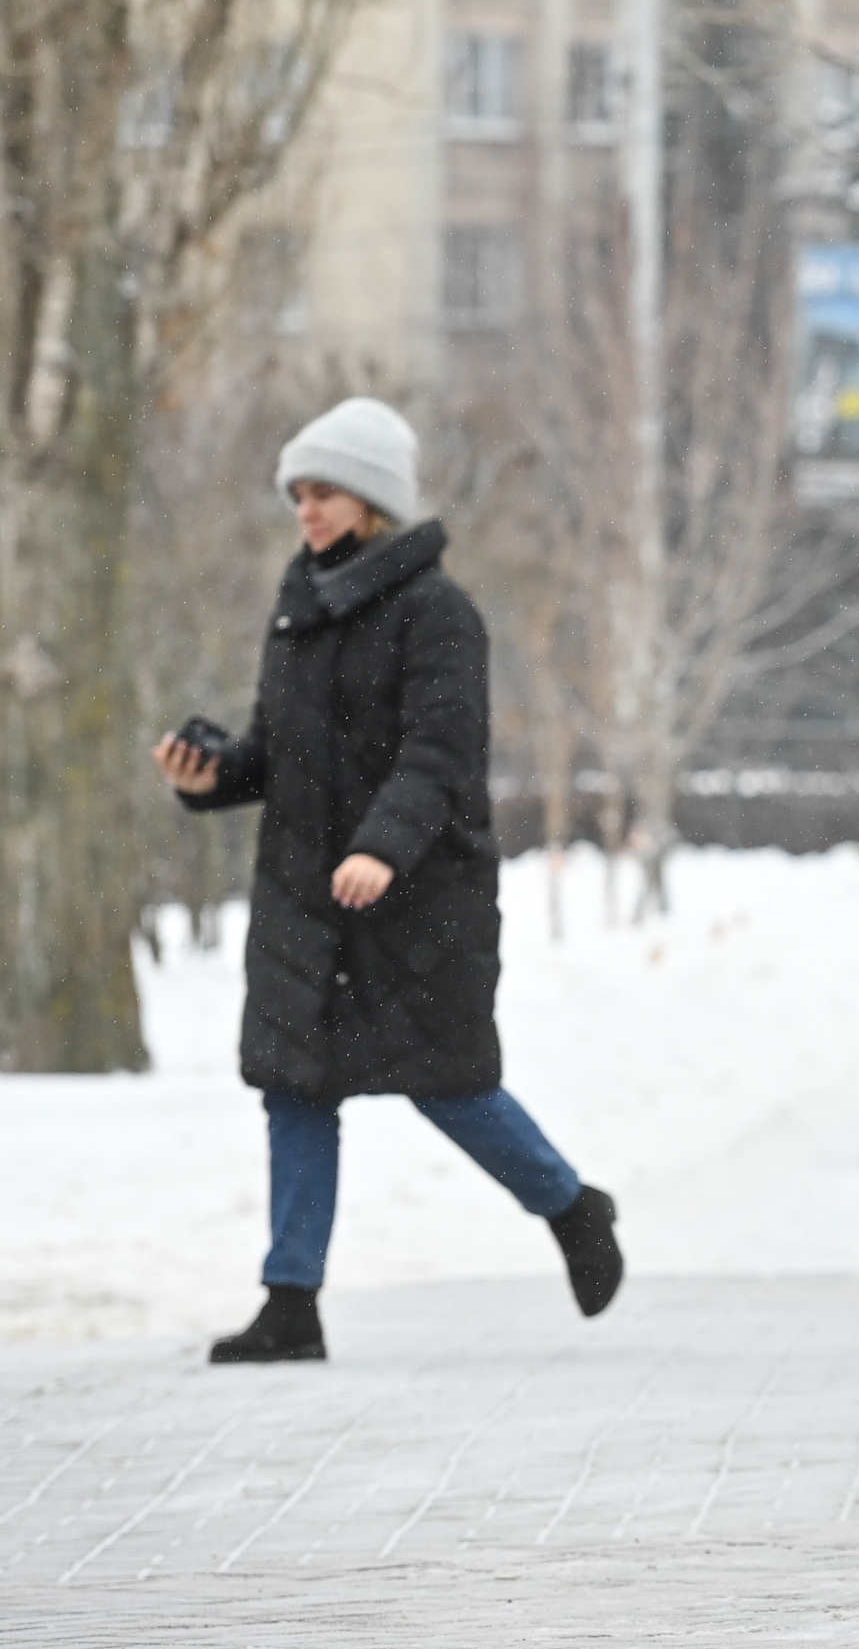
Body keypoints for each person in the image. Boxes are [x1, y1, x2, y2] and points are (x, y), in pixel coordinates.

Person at [154, 396, 626, 1365]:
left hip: (419, 901)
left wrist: (381, 849)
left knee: (449, 1086)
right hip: (303, 896)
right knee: (294, 1088)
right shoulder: (297, 607)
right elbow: (278, 755)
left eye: (322, 492)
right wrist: (210, 778)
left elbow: (438, 755)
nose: (306, 511)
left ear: (371, 499)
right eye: (297, 494)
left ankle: (572, 1207)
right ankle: (292, 1303)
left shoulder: (438, 613)